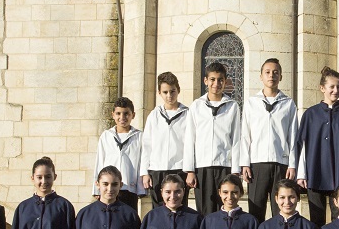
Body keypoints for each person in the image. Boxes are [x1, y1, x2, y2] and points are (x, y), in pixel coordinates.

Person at [297, 66, 339, 227]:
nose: (335, 90)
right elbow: (302, 146)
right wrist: (301, 174)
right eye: (332, 86)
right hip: (315, 172)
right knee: (316, 219)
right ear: (322, 88)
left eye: (338, 86)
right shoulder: (310, 114)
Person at [241, 58, 299, 221]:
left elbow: (293, 136)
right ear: (261, 76)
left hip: (281, 163)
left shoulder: (288, 104)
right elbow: (245, 135)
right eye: (267, 72)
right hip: (257, 164)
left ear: (281, 77)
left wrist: (292, 164)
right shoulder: (252, 103)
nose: (271, 76)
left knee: (281, 211)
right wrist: (245, 162)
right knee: (256, 210)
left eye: (275, 73)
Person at [183, 62, 242, 216]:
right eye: (213, 79)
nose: (216, 84)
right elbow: (190, 139)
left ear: (225, 82)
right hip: (202, 167)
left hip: (225, 165)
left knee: (225, 208)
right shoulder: (196, 106)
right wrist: (190, 170)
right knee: (204, 210)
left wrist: (235, 171)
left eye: (220, 80)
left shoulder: (232, 106)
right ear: (206, 81)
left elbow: (236, 139)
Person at [141, 72, 190, 208]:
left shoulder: (187, 114)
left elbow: (191, 144)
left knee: (179, 206)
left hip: (179, 168)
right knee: (158, 209)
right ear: (159, 93)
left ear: (178, 90)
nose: (169, 96)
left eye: (172, 91)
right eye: (165, 92)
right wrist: (145, 172)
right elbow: (147, 145)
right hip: (157, 169)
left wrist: (190, 170)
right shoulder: (154, 115)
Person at [93, 97, 145, 209]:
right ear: (113, 115)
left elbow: (142, 162)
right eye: (118, 113)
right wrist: (96, 189)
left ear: (133, 115)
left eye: (126, 113)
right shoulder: (106, 136)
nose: (122, 117)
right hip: (109, 188)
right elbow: (100, 161)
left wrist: (141, 189)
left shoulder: (139, 136)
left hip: (129, 188)